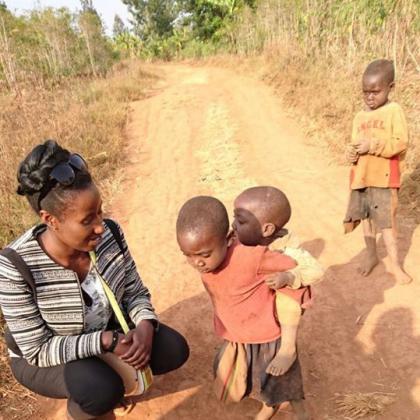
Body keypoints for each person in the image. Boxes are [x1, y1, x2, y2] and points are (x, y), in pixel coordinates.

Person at [0, 140, 189, 420]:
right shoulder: (15, 265)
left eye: (100, 211)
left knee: (173, 350)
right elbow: (38, 350)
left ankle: (112, 381)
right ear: (50, 219)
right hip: (48, 355)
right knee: (98, 390)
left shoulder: (110, 234)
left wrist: (145, 326)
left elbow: (135, 293)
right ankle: (86, 405)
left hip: (105, 332)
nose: (100, 226)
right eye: (87, 220)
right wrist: (105, 341)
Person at [176, 196, 310, 420]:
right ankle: (271, 403)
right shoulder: (208, 262)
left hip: (269, 337)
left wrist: (287, 279)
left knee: (281, 382)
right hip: (239, 336)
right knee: (244, 378)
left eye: (204, 255)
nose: (197, 262)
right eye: (187, 255)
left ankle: (298, 413)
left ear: (229, 239)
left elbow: (293, 267)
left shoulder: (251, 256)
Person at [232, 186, 323, 377]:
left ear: (266, 229)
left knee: (289, 295)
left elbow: (316, 271)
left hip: (278, 303)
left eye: (240, 221)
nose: (233, 225)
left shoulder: (287, 250)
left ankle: (288, 348)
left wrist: (288, 277)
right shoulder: (245, 238)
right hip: (256, 302)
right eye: (234, 218)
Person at [343, 59, 411, 284]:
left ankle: (395, 265)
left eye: (375, 91)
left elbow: (400, 143)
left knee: (387, 224)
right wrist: (351, 153)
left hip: (384, 179)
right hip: (361, 178)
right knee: (366, 219)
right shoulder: (359, 117)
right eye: (365, 92)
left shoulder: (394, 111)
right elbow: (354, 144)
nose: (370, 97)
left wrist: (372, 145)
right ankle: (371, 255)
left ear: (390, 88)